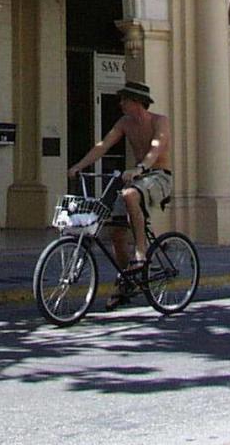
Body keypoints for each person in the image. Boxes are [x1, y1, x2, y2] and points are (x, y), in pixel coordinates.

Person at [67, 80, 171, 310]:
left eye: (124, 99)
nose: (121, 103)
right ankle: (128, 281)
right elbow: (102, 146)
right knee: (115, 231)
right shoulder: (125, 123)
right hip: (137, 177)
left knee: (131, 194)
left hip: (159, 177)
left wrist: (141, 168)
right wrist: (79, 166)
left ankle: (141, 252)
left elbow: (156, 148)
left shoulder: (159, 121)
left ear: (136, 102)